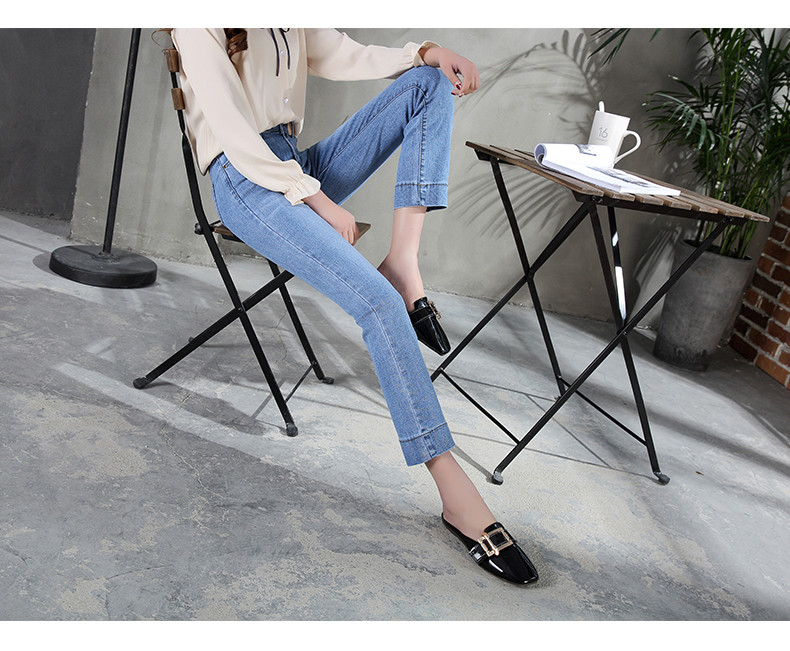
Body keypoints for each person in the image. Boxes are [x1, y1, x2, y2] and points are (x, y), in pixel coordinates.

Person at [170, 28, 538, 585]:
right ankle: (456, 495)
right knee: (381, 307)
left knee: (427, 83)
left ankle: (404, 260)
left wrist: (427, 53)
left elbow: (342, 53)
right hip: (246, 180)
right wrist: (318, 200)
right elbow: (234, 133)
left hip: (293, 163)